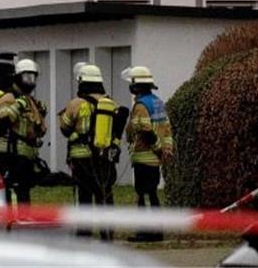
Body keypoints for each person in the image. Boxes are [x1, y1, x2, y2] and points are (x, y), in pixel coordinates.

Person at [59, 64, 126, 241]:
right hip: (105, 157)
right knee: (105, 194)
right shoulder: (111, 104)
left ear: (82, 82)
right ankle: (107, 233)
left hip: (82, 159)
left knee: (85, 197)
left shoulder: (76, 104)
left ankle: (84, 234)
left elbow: (64, 128)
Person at [123, 66, 175, 242]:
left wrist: (158, 148)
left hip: (144, 157)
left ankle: (146, 232)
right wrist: (166, 149)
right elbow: (167, 129)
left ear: (136, 86)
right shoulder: (158, 102)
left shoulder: (141, 105)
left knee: (143, 194)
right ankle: (157, 231)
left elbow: (145, 131)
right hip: (155, 159)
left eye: (132, 83)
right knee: (152, 194)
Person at [0, 59, 48, 208]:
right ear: (17, 77)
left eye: (33, 77)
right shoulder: (8, 98)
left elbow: (41, 129)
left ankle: (25, 222)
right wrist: (18, 106)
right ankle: (12, 223)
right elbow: (2, 119)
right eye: (27, 77)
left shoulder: (30, 101)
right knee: (13, 190)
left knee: (24, 191)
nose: (30, 81)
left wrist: (42, 114)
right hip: (11, 154)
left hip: (26, 156)